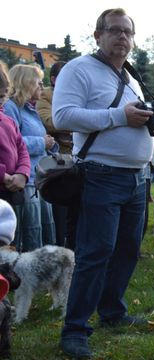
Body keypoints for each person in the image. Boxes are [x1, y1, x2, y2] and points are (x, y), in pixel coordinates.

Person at [52, 8, 154, 359]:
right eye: (114, 30)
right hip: (100, 175)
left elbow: (131, 121)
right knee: (96, 253)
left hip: (137, 179)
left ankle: (112, 311)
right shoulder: (78, 69)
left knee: (127, 249)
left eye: (128, 31)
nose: (122, 37)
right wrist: (119, 116)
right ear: (98, 35)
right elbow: (62, 115)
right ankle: (75, 328)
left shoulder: (132, 78)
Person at [4, 64, 57, 252]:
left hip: (38, 180)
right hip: (24, 181)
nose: (42, 87)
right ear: (26, 83)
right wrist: (42, 142)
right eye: (38, 83)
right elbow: (12, 144)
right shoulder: (11, 108)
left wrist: (51, 146)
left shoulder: (30, 110)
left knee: (42, 231)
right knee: (29, 235)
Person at [36, 61, 76, 248]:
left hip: (79, 159)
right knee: (61, 212)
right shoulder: (46, 94)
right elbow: (49, 121)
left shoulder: (76, 94)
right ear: (53, 79)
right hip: (59, 164)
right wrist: (81, 123)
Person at [0, 61, 30, 210]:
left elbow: (22, 149)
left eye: (3, 97)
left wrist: (22, 173)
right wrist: (3, 176)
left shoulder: (9, 121)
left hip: (11, 191)